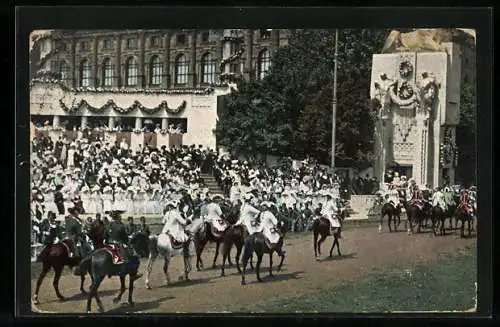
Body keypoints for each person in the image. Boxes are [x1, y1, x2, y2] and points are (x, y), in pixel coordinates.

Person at [105, 210, 143, 281]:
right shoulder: (121, 225)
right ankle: (134, 273)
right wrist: (127, 243)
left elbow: (105, 237)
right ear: (118, 217)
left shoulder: (108, 225)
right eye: (120, 216)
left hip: (109, 244)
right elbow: (124, 237)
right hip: (119, 244)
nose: (121, 217)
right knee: (132, 256)